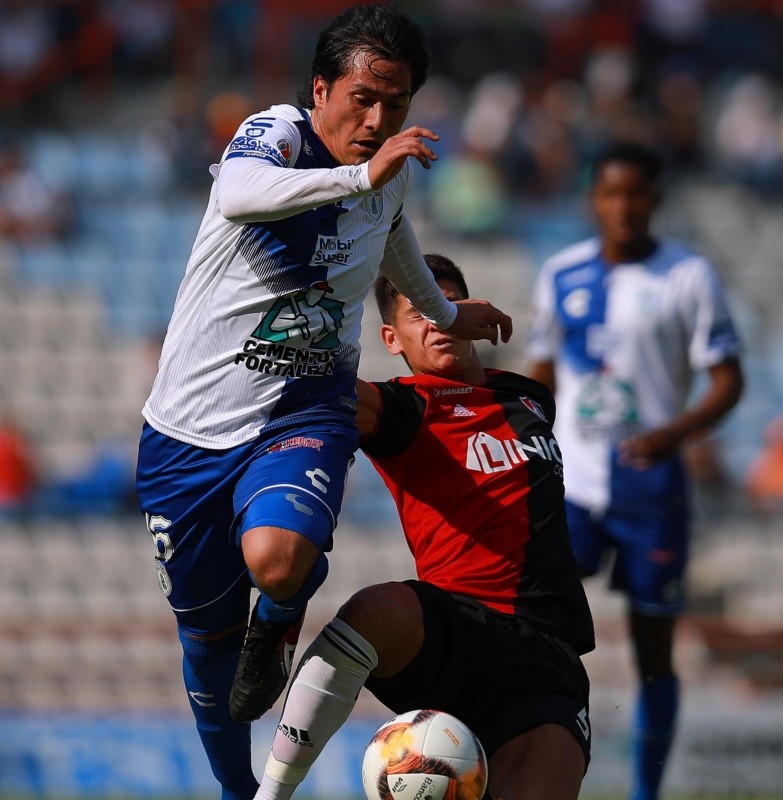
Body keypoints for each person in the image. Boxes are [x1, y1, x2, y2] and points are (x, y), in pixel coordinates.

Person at [134, 7, 512, 800]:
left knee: (279, 561)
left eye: (397, 104)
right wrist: (360, 176)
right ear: (320, 89)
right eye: (363, 98)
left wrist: (443, 316)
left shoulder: (388, 173)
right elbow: (239, 194)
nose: (378, 121)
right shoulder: (276, 135)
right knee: (207, 654)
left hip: (305, 406)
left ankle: (281, 612)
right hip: (187, 433)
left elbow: (392, 226)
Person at [253, 253, 595, 800]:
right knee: (374, 611)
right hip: (454, 633)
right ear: (392, 339)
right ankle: (270, 795)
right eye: (421, 313)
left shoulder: (531, 398)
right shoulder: (405, 408)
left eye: (449, 305)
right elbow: (324, 389)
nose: (439, 321)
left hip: (546, 659)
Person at [526, 141, 744, 800]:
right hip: (573, 484)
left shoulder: (688, 276)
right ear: (594, 200)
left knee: (655, 653)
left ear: (655, 200)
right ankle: (533, 771)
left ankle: (645, 792)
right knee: (539, 634)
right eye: (610, 194)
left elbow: (729, 380)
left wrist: (675, 433)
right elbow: (541, 373)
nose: (623, 207)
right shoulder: (561, 272)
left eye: (635, 194)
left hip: (652, 489)